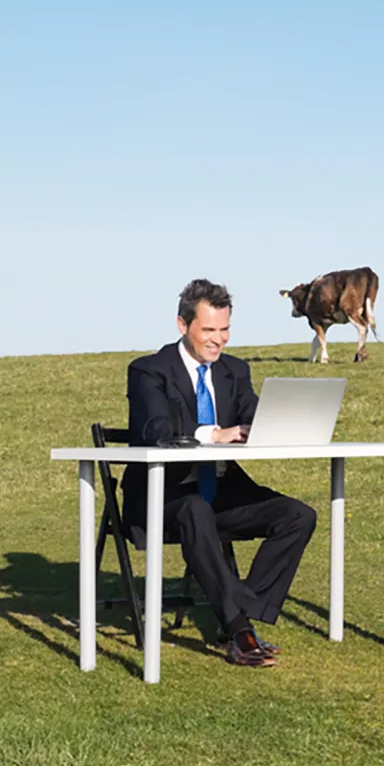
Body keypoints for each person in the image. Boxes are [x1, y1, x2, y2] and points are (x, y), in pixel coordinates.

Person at [123, 278, 317, 667]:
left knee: (298, 515)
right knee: (194, 509)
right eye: (208, 330)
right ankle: (239, 629)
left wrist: (273, 424)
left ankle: (239, 599)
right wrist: (213, 434)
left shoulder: (235, 371)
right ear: (183, 325)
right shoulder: (148, 370)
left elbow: (252, 411)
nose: (218, 340)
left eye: (225, 329)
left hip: (222, 492)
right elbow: (154, 431)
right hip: (165, 496)